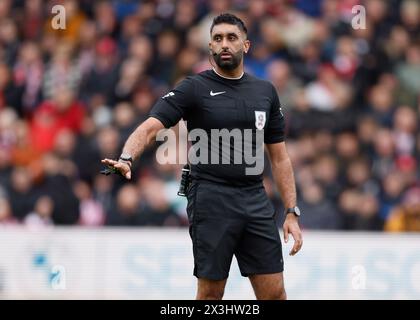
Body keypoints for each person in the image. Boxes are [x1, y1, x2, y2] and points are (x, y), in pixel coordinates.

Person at [102, 13, 303, 300]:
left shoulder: (265, 92)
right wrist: (127, 157)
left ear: (246, 45)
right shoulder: (194, 87)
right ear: (209, 46)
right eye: (217, 38)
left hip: (255, 199)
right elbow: (150, 127)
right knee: (211, 295)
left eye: (231, 38)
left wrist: (292, 211)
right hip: (211, 197)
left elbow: (280, 158)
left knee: (275, 294)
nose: (224, 44)